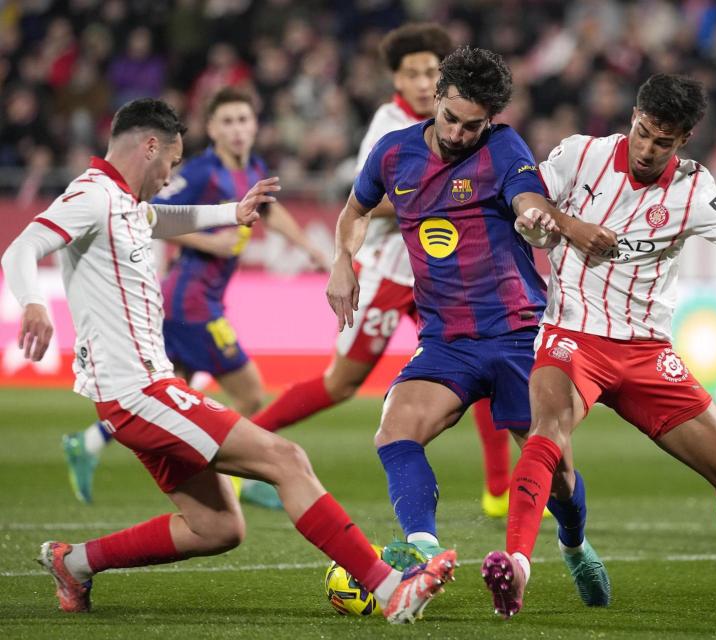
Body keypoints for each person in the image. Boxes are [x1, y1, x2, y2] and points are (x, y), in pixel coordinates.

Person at [1, 98, 455, 623]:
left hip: (145, 390)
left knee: (218, 527)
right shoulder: (91, 196)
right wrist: (34, 303)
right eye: (171, 162)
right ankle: (390, 587)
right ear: (150, 146)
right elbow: (20, 248)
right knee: (286, 460)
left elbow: (160, 218)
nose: (171, 173)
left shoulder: (122, 201)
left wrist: (229, 213)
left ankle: (73, 562)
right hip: (138, 393)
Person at [482, 73, 716, 617]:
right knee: (546, 435)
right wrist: (565, 225)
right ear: (634, 116)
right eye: (642, 132)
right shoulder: (581, 156)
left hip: (647, 352)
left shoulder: (694, 188)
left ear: (684, 139)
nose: (647, 148)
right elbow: (523, 204)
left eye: (662, 141)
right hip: (573, 335)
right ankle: (517, 566)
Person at [326, 46, 614, 607]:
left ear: (492, 119)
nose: (459, 133)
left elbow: (529, 199)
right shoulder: (393, 154)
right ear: (437, 98)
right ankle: (421, 550)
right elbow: (356, 212)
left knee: (555, 474)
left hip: (519, 335)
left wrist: (540, 217)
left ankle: (575, 544)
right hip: (446, 339)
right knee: (394, 429)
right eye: (451, 118)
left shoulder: (504, 146)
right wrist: (343, 259)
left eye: (473, 124)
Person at [250, 24, 514, 518]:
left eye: (428, 72)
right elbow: (371, 200)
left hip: (441, 279)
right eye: (410, 73)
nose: (419, 82)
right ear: (396, 78)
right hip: (389, 273)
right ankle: (247, 440)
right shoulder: (389, 125)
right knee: (341, 384)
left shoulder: (470, 132)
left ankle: (499, 490)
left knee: (483, 376)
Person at [60, 87, 329, 506]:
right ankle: (244, 475)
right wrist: (209, 242)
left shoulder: (252, 168)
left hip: (205, 299)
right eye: (228, 121)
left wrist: (311, 250)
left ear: (256, 125)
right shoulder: (199, 172)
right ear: (212, 129)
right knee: (251, 392)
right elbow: (150, 215)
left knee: (169, 392)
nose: (238, 129)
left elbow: (271, 212)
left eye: (244, 120)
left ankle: (90, 443)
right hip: (191, 300)